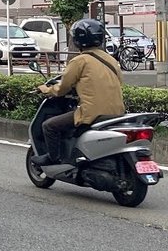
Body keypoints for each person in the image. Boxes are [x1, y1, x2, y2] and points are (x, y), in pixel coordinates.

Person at [31, 18, 125, 166]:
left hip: (92, 113)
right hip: (117, 113)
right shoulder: (111, 60)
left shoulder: (80, 61)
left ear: (77, 40)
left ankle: (53, 158)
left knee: (49, 126)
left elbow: (63, 87)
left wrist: (47, 89)